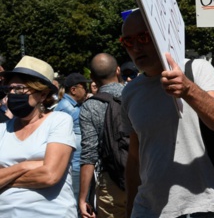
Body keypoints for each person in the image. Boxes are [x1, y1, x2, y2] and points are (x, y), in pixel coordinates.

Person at [120, 9, 214, 218]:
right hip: (146, 210)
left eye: (143, 37)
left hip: (197, 207)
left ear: (160, 35)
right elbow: (135, 156)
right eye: (128, 41)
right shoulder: (130, 92)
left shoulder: (196, 69)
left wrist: (189, 90)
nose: (136, 47)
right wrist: (129, 206)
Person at [0, 55, 77, 217]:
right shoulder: (2, 130)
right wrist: (25, 166)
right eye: (10, 89)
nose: (13, 94)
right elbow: (44, 172)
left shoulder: (59, 121)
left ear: (42, 94)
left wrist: (5, 176)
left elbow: (49, 175)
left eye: (20, 89)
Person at [79, 53, 126, 218]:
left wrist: (83, 198)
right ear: (118, 70)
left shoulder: (90, 106)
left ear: (92, 77)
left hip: (111, 181)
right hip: (145, 177)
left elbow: (89, 154)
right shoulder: (136, 96)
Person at [55, 72, 91, 205]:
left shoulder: (75, 106)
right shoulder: (65, 107)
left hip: (81, 163)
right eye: (84, 87)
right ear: (74, 90)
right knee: (76, 201)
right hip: (74, 165)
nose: (86, 90)